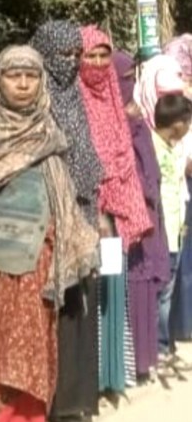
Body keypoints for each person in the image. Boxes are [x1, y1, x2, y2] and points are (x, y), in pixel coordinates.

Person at [0, 46, 100, 422]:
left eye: (31, 76)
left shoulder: (47, 128)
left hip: (39, 256)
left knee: (27, 345)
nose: (23, 84)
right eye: (13, 76)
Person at [33, 20, 106, 409]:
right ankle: (57, 399)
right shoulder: (37, 98)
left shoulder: (73, 94)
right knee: (59, 305)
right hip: (53, 215)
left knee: (82, 302)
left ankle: (79, 395)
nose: (74, 62)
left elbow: (84, 152)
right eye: (65, 54)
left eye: (77, 54)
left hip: (85, 211)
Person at [81, 29, 157, 382]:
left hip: (118, 215)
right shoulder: (74, 103)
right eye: (91, 56)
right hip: (88, 213)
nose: (98, 64)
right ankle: (92, 378)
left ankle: (113, 374)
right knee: (91, 295)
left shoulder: (116, 101)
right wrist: (98, 209)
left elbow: (125, 155)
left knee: (114, 290)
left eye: (103, 56)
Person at [140, 56, 192, 375]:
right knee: (162, 294)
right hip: (162, 235)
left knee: (167, 293)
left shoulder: (171, 149)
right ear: (178, 124)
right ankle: (158, 349)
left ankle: (164, 345)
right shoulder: (153, 151)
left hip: (176, 231)